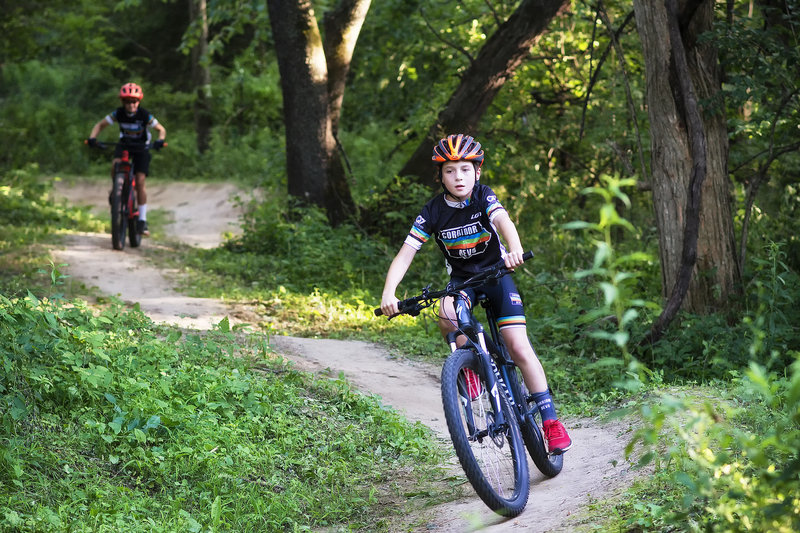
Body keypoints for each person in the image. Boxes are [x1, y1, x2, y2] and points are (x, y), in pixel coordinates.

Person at [380, 133, 572, 454]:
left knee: (517, 346)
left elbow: (503, 220)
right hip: (463, 281)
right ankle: (469, 368)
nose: (458, 177)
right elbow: (405, 253)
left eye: (465, 170)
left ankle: (551, 422)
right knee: (444, 310)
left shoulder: (483, 196)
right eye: (450, 171)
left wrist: (515, 250)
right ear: (440, 176)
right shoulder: (432, 211)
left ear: (477, 172)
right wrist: (390, 293)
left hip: (497, 275)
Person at [87, 82, 166, 236]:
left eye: (134, 101)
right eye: (127, 101)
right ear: (122, 102)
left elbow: (161, 129)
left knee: (140, 180)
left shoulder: (144, 115)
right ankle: (117, 189)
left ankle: (142, 220)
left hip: (142, 147)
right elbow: (100, 125)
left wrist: (160, 140)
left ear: (139, 101)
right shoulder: (118, 114)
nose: (131, 105)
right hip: (125, 144)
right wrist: (92, 138)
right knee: (115, 164)